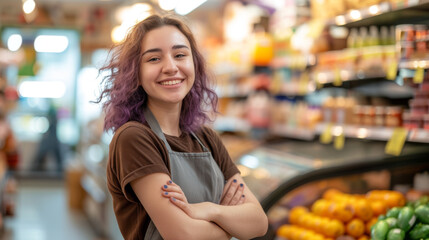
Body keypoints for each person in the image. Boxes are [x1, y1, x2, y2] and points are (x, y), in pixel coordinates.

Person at [96, 14, 268, 239]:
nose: (170, 67)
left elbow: (258, 222)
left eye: (179, 55)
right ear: (135, 73)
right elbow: (183, 235)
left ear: (193, 64)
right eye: (154, 59)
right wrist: (230, 223)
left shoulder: (207, 138)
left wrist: (209, 210)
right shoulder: (134, 138)